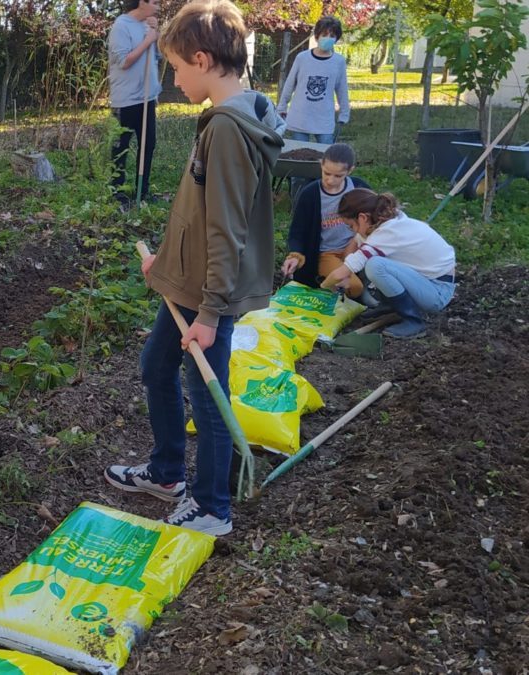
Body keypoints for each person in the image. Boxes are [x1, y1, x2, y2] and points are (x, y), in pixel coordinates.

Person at [104, 0, 283, 536]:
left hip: (208, 292)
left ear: (202, 59)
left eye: (177, 67)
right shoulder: (231, 117)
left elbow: (226, 229)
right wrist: (166, 262)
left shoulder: (228, 129)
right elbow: (198, 212)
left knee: (207, 392)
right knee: (156, 367)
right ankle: (165, 474)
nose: (174, 79)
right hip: (186, 279)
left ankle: (211, 506)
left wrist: (209, 313)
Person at [323, 189, 456, 339]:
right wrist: (348, 271)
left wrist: (323, 290)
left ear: (362, 218)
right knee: (370, 259)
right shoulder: (384, 222)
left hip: (437, 291)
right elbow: (354, 246)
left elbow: (341, 272)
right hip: (426, 280)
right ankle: (391, 306)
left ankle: (414, 321)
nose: (352, 230)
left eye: (350, 226)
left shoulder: (388, 233)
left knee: (375, 265)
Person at [281, 143, 371, 299]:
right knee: (354, 288)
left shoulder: (358, 187)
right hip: (329, 252)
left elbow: (374, 219)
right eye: (326, 173)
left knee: (385, 261)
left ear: (350, 171)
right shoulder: (310, 194)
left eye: (338, 176)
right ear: (321, 165)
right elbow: (298, 231)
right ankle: (345, 288)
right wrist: (295, 256)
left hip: (357, 245)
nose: (331, 180)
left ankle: (365, 284)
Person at [107, 0, 162, 208]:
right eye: (155, 2)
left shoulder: (147, 26)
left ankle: (142, 190)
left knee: (148, 145)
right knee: (121, 147)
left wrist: (155, 35)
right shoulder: (121, 26)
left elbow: (156, 56)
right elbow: (124, 61)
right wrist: (148, 40)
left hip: (147, 97)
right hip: (126, 99)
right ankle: (117, 192)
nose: (158, 7)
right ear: (142, 3)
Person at [276, 15, 350, 145]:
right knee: (300, 155)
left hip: (324, 119)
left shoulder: (339, 62)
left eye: (332, 36)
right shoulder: (302, 58)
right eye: (324, 34)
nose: (328, 38)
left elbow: (342, 88)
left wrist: (344, 113)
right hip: (300, 117)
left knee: (325, 157)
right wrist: (282, 106)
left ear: (336, 39)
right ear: (316, 36)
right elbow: (290, 84)